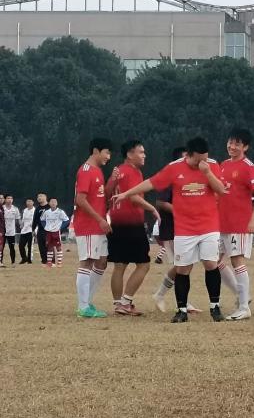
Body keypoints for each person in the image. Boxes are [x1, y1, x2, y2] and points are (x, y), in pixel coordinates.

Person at [114, 137, 227, 323]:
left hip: (209, 226)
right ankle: (181, 310)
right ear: (189, 155)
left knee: (210, 264)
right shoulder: (174, 168)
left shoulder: (212, 165)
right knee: (182, 268)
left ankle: (215, 307)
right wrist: (127, 193)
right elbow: (151, 182)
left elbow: (221, 190)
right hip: (184, 228)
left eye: (205, 158)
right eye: (199, 159)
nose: (203, 162)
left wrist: (207, 173)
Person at [105, 140, 161, 316]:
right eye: (141, 152)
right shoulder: (133, 171)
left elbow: (107, 193)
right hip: (131, 223)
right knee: (143, 264)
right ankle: (126, 302)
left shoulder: (118, 171)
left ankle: (118, 304)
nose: (144, 155)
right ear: (130, 154)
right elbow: (133, 197)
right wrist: (152, 209)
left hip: (116, 222)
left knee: (119, 265)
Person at [215, 128, 254, 321]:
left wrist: (253, 219)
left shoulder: (248, 166)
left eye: (237, 143)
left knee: (237, 260)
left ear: (245, 147)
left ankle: (244, 307)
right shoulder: (223, 165)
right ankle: (241, 294)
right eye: (230, 142)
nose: (232, 146)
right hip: (221, 223)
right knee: (214, 261)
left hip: (239, 223)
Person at [150, 147, 198, 314]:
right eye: (186, 157)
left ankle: (181, 299)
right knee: (182, 265)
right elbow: (161, 202)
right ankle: (161, 295)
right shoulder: (170, 178)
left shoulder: (188, 178)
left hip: (185, 227)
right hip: (172, 229)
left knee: (186, 264)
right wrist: (182, 210)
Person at [72, 138, 113, 318]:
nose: (108, 157)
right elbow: (80, 200)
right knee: (87, 262)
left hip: (98, 225)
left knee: (102, 261)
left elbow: (99, 198)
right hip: (88, 225)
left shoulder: (98, 171)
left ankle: (87, 302)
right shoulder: (86, 170)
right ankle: (83, 307)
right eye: (107, 152)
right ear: (96, 151)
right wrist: (99, 219)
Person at [40, 198, 69, 267]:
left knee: (58, 247)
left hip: (56, 232)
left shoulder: (60, 212)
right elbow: (42, 220)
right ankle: (49, 263)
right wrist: (45, 227)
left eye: (55, 202)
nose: (53, 203)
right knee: (49, 247)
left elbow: (67, 220)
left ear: (57, 203)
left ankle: (59, 263)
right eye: (52, 202)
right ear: (49, 203)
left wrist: (60, 227)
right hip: (49, 232)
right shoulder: (46, 212)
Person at [2, 195, 17, 265]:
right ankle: (1, 262)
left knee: (12, 247)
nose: (10, 199)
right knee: (1, 248)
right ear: (5, 200)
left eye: (11, 198)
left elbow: (17, 219)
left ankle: (13, 262)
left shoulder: (15, 209)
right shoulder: (2, 208)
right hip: (2, 231)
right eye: (8, 198)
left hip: (11, 232)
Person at [33, 193, 48, 262]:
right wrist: (33, 229)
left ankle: (51, 260)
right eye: (38, 196)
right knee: (41, 247)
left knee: (49, 246)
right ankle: (44, 261)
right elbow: (35, 220)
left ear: (45, 197)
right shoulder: (37, 208)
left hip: (49, 230)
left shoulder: (49, 207)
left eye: (41, 196)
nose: (39, 198)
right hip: (40, 230)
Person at [19, 198, 35, 263]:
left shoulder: (35, 210)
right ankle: (24, 258)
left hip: (31, 230)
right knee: (21, 245)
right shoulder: (25, 210)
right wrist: (21, 225)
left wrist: (35, 229)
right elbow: (23, 219)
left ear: (33, 202)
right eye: (27, 201)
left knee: (30, 246)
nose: (28, 203)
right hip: (24, 230)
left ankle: (29, 259)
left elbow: (37, 221)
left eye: (30, 201)